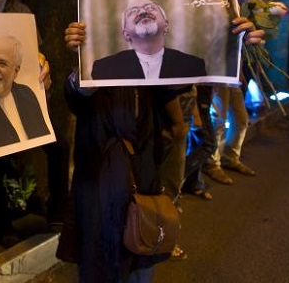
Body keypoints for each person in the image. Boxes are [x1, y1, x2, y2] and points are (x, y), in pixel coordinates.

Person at [58, 16, 264, 282]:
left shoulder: (154, 70)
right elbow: (76, 94)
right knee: (100, 265)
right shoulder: (95, 66)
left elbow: (191, 73)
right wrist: (85, 65)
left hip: (144, 182)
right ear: (122, 32)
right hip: (99, 185)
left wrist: (234, 46)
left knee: (141, 263)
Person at [91, 0, 207, 80]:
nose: (142, 12)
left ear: (166, 25)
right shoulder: (104, 68)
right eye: (133, 11)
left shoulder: (193, 65)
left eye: (150, 8)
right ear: (126, 34)